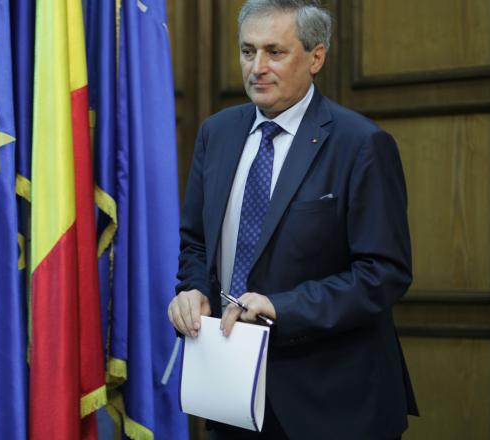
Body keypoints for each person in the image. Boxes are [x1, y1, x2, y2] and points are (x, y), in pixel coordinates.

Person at [167, 0, 418, 438]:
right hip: (232, 394)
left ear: (316, 57)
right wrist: (192, 290)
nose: (257, 68)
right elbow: (196, 243)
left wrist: (281, 308)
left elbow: (384, 273)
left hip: (333, 404)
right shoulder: (216, 133)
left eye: (275, 52)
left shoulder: (361, 144)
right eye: (248, 51)